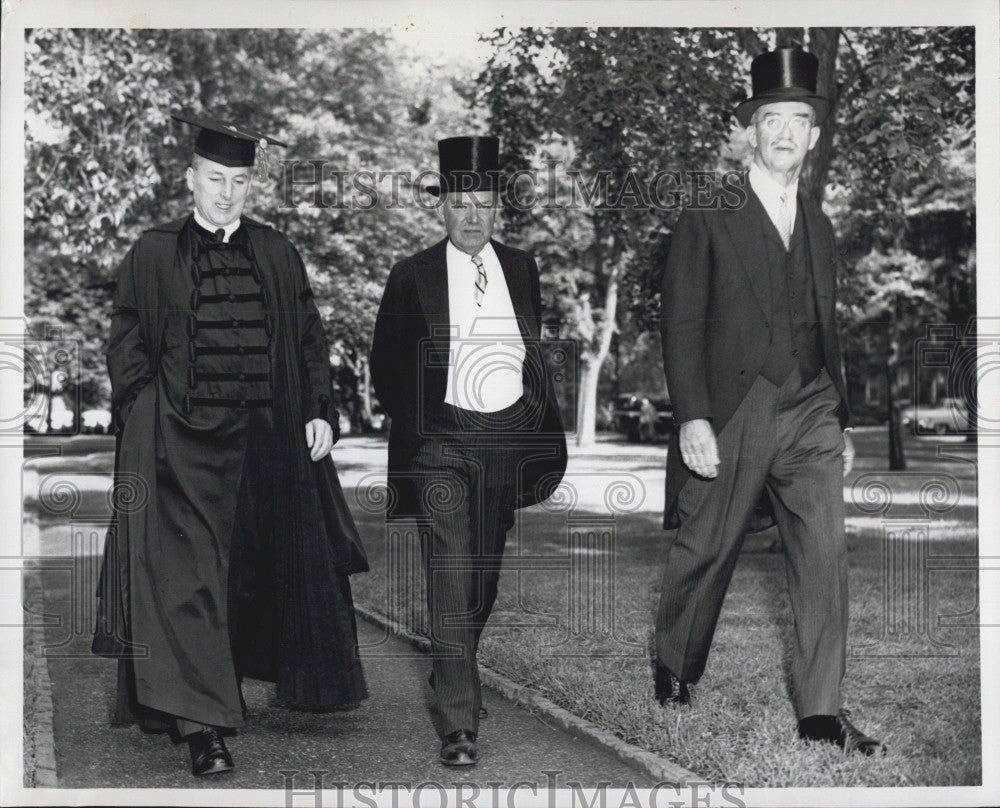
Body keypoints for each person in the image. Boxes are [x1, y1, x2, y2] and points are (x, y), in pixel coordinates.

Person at [92, 113, 369, 776]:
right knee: (184, 582)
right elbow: (126, 341)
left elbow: (307, 338)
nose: (225, 193)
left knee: (244, 577)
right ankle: (202, 728)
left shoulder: (277, 253)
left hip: (263, 447)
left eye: (238, 182)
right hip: (179, 448)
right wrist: (140, 409)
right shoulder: (153, 252)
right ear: (190, 179)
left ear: (251, 187)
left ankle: (227, 688)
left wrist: (319, 411)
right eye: (215, 179)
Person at [655, 49, 884, 755]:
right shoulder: (709, 212)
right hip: (738, 402)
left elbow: (826, 320)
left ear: (814, 136)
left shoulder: (818, 221)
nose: (785, 131)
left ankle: (820, 714)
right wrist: (693, 415)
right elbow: (682, 319)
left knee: (823, 552)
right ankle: (675, 667)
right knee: (709, 545)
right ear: (749, 131)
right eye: (771, 119)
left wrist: (838, 414)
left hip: (811, 402)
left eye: (800, 119)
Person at [370, 136, 567, 766]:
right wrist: (425, 425)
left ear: (497, 207)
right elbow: (386, 364)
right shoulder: (411, 276)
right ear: (442, 206)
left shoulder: (522, 268)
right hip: (443, 443)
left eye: (483, 203)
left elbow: (530, 348)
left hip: (507, 439)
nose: (472, 216)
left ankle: (453, 670)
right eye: (460, 203)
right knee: (451, 573)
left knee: (481, 579)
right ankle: (458, 722)